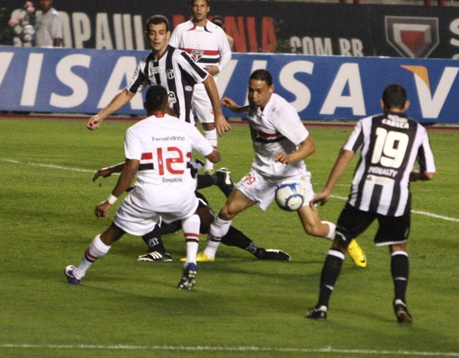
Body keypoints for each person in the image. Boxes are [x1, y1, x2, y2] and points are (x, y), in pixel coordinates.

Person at [199, 69, 367, 267]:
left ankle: (347, 240)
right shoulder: (256, 101)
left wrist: (290, 157)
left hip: (290, 174)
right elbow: (254, 110)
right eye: (251, 90)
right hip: (262, 172)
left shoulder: (282, 113)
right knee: (227, 211)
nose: (254, 95)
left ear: (271, 89)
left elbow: (310, 145)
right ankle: (209, 253)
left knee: (313, 228)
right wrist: (237, 109)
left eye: (259, 91)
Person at [65, 86, 221, 289]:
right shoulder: (185, 127)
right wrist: (210, 148)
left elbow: (133, 167)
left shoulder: (135, 130)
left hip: (150, 196)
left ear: (145, 105)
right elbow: (214, 157)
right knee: (191, 211)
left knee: (113, 233)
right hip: (181, 194)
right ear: (168, 104)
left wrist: (110, 201)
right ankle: (191, 260)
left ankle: (78, 273)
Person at [305, 84, 436, 322]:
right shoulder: (418, 130)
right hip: (397, 199)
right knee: (398, 247)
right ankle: (400, 302)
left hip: (363, 196)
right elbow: (429, 173)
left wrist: (328, 189)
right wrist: (409, 175)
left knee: (339, 245)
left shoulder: (367, 123)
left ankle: (322, 306)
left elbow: (347, 154)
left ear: (382, 104)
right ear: (406, 105)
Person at [92, 161, 290, 262]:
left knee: (212, 224)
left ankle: (258, 251)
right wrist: (112, 169)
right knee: (142, 210)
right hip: (167, 200)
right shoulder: (164, 137)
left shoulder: (172, 135)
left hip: (184, 198)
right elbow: (138, 162)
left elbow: (209, 156)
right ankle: (158, 250)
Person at [86, 14, 229, 136]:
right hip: (158, 128)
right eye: (153, 33)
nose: (156, 38)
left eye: (161, 33)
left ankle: (200, 167)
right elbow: (128, 93)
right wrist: (101, 115)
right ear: (146, 35)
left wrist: (218, 114)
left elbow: (208, 79)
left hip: (181, 129)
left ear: (168, 35)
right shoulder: (145, 64)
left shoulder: (179, 57)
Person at [168, 0, 232, 174]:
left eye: (202, 6)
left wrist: (218, 68)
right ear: (191, 8)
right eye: (196, 6)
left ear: (208, 8)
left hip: (206, 86)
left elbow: (227, 53)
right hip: (184, 83)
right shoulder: (181, 29)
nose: (198, 9)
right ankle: (184, 162)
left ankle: (210, 168)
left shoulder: (216, 31)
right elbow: (170, 53)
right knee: (183, 123)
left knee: (209, 123)